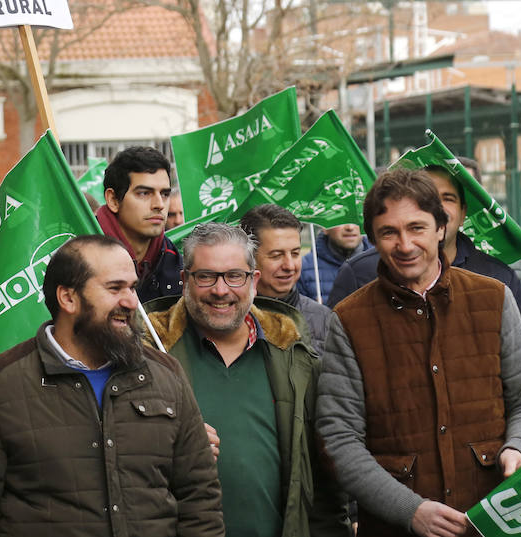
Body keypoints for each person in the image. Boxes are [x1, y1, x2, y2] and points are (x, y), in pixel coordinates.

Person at [317, 169, 521, 537]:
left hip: (491, 518)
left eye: (417, 228)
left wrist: (520, 446)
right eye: (389, 232)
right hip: (395, 528)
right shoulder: (348, 320)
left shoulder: (492, 297)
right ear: (373, 239)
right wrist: (409, 510)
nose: (405, 244)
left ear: (441, 228)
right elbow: (338, 438)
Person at [0, 234, 223, 537]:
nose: (131, 301)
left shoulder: (165, 374)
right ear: (68, 298)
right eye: (115, 288)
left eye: (132, 287)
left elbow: (200, 503)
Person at [144, 222, 351, 537]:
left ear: (254, 280)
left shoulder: (296, 359)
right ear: (185, 280)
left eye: (234, 276)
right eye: (206, 276)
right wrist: (166, 441)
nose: (221, 290)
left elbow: (323, 483)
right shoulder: (148, 357)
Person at [326, 165, 521, 357]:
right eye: (427, 198)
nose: (406, 245)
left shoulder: (496, 281)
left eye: (447, 198)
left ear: (462, 211)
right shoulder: (358, 274)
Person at [239, 204, 335, 356]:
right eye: (276, 255)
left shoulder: (324, 319)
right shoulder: (230, 319)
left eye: (295, 253)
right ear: (248, 257)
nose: (290, 266)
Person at [96, 146, 181, 302]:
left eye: (165, 194)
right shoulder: (82, 255)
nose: (159, 204)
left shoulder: (174, 259)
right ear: (113, 200)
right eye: (144, 193)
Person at [298, 223, 370, 307]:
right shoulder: (303, 269)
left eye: (355, 220)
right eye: (342, 221)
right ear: (324, 228)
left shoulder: (380, 262)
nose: (350, 227)